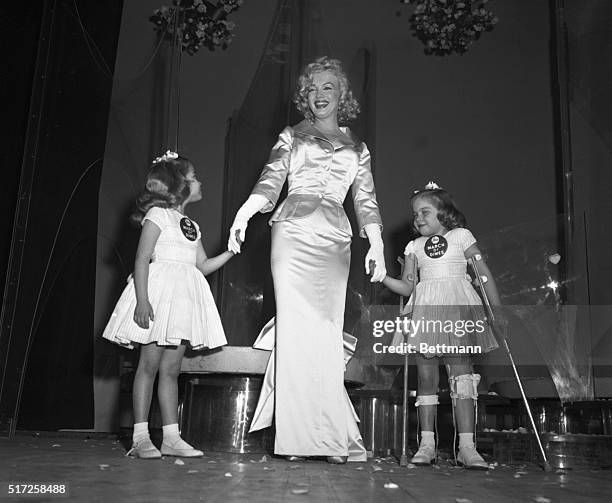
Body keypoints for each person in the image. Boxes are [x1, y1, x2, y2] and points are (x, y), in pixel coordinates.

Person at [227, 56, 386, 463]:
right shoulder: (292, 135)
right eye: (312, 88)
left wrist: (378, 244)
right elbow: (271, 178)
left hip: (335, 237)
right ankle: (299, 438)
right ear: (305, 95)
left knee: (327, 331)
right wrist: (245, 213)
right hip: (293, 232)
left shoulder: (358, 148)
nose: (319, 94)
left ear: (342, 95)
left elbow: (365, 200)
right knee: (297, 331)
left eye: (328, 87)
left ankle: (328, 434)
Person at [102, 151, 232, 459]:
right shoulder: (158, 215)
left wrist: (231, 250)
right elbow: (141, 258)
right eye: (194, 177)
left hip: (182, 300)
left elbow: (201, 265)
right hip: (158, 296)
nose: (200, 182)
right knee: (148, 365)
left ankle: (172, 437)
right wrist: (143, 301)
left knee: (172, 369)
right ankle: (140, 436)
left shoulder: (191, 224)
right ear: (180, 184)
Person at [383, 182, 500, 469]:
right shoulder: (414, 246)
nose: (418, 218)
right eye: (415, 214)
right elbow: (408, 286)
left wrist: (496, 310)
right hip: (426, 310)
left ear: (444, 213)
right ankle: (426, 444)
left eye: (425, 211)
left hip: (458, 308)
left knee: (461, 376)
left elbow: (482, 273)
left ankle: (468, 447)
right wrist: (381, 275)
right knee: (426, 378)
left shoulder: (461, 237)